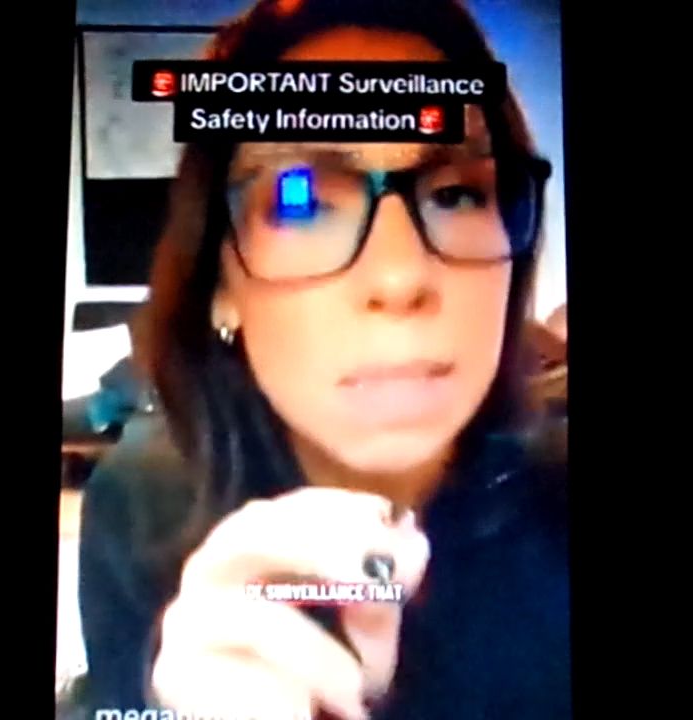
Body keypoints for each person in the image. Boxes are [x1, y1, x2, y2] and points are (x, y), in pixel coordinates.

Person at [75, 1, 569, 718]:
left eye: (457, 193)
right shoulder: (140, 501)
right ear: (220, 286)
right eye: (299, 200)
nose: (400, 276)